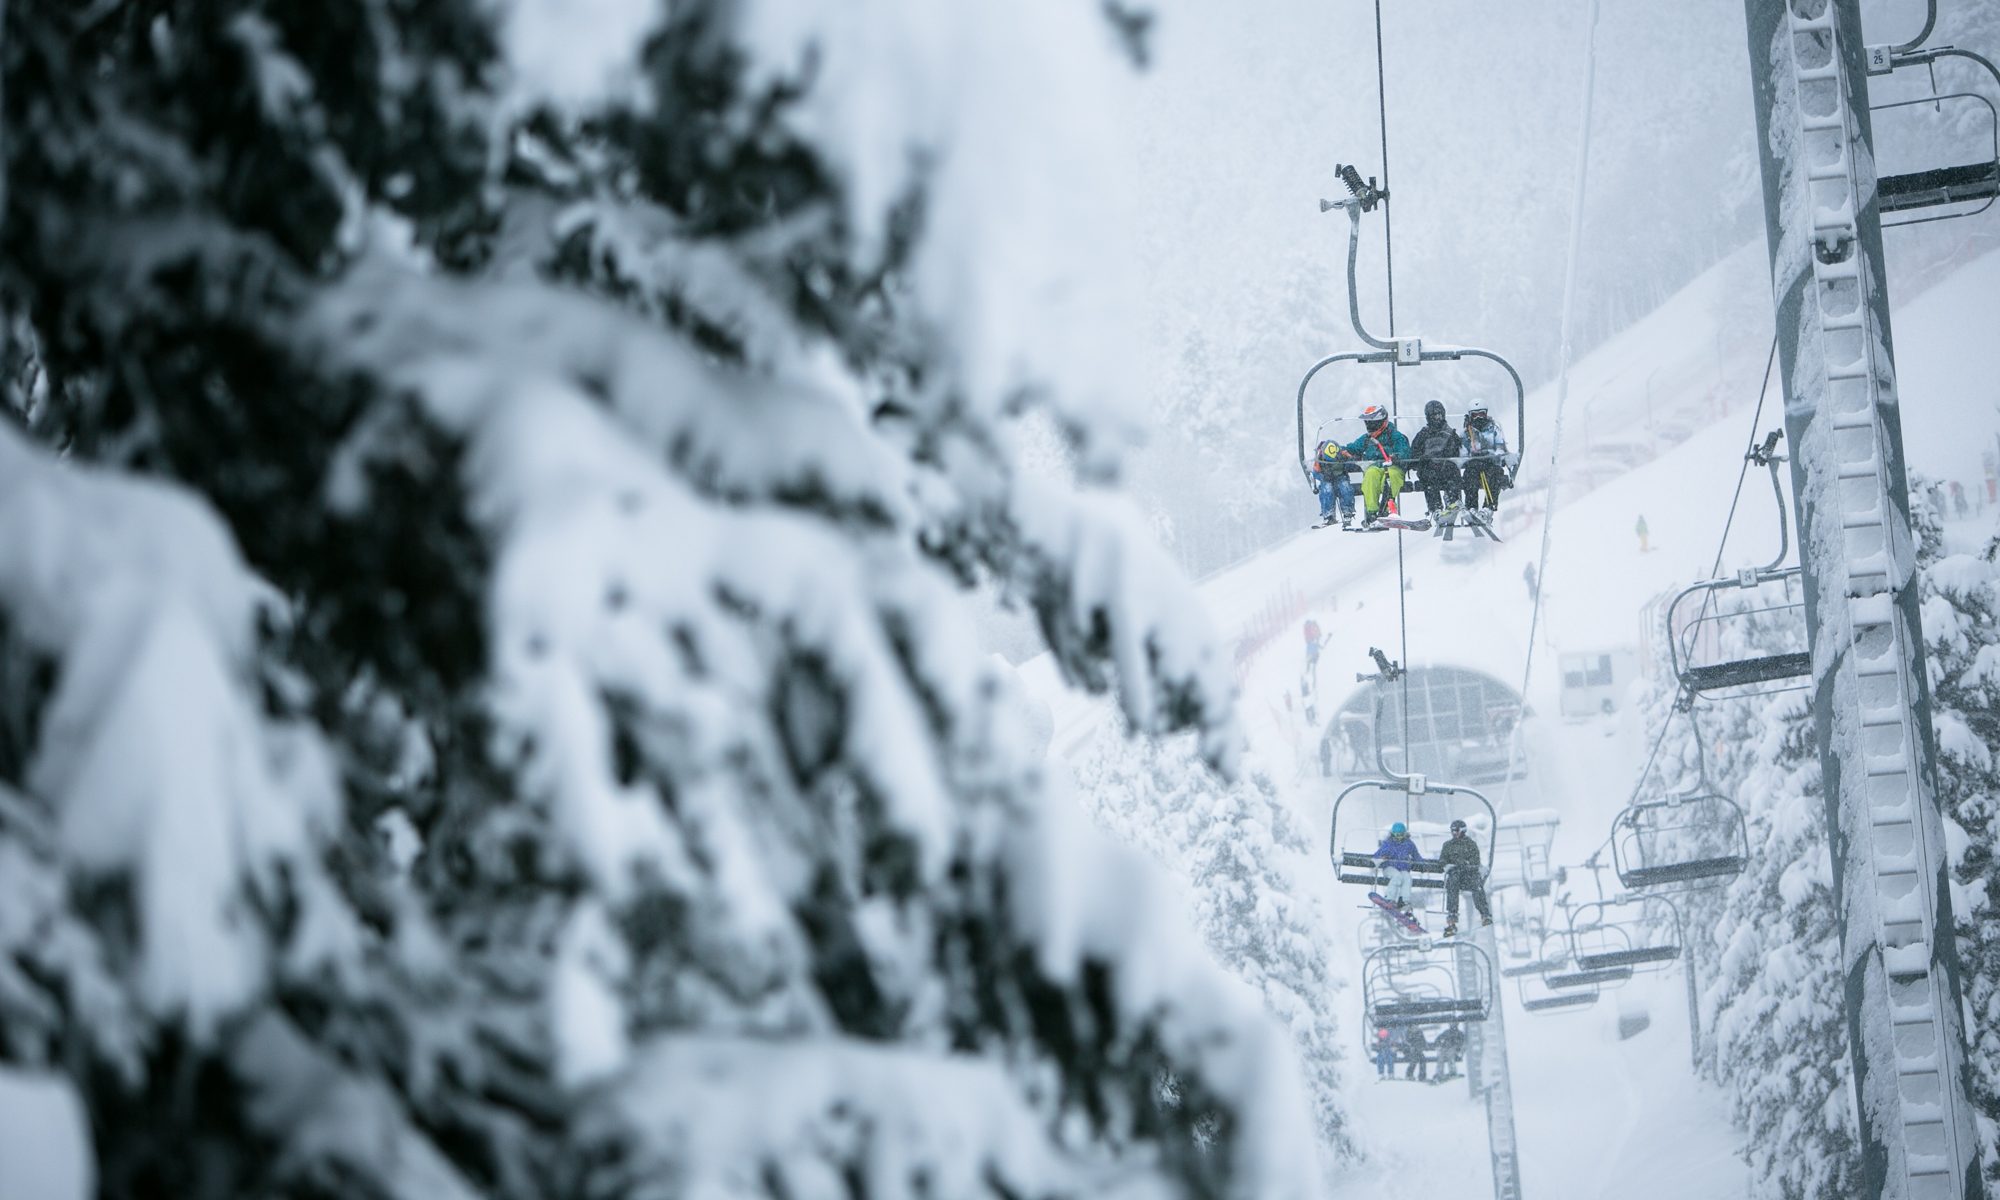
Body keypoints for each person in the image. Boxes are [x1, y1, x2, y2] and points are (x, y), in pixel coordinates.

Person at [1328, 404, 1413, 528]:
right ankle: (1372, 513)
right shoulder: (1367, 439)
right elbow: (1352, 448)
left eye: (1372, 423)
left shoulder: (1395, 436)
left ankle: (1388, 508)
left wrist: (1395, 457)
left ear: (1381, 422)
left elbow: (1405, 452)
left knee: (1389, 478)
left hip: (1392, 467)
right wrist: (1335, 452)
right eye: (1368, 423)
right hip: (1375, 467)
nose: (1370, 427)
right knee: (1370, 475)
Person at [1438, 818, 1493, 937]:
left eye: (1456, 831)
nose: (1454, 833)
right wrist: (1447, 865)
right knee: (1452, 884)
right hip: (1456, 875)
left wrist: (1463, 865)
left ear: (1462, 831)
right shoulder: (1448, 845)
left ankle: (1485, 914)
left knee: (1477, 886)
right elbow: (1442, 860)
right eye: (1452, 831)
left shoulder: (1470, 844)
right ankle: (1452, 917)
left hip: (1468, 875)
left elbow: (1475, 861)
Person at [1408, 399, 1462, 516]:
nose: (1437, 419)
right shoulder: (1423, 435)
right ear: (1428, 417)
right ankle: (1436, 509)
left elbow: (1458, 453)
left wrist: (1447, 456)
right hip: (1430, 469)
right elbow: (1413, 456)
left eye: (1439, 415)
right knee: (1429, 478)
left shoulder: (1450, 433)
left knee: (1452, 471)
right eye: (1434, 416)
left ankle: (1453, 501)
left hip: (1446, 468)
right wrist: (1423, 459)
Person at [1460, 403, 1509, 511]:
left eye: (1481, 414)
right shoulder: (1466, 432)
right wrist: (1470, 457)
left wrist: (1492, 455)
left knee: (1495, 474)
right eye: (1475, 415)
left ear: (1486, 414)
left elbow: (1500, 447)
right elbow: (1462, 452)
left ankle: (1489, 507)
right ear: (1470, 416)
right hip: (1474, 465)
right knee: (1469, 476)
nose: (1478, 418)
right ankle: (1471, 507)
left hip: (1490, 464)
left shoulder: (1494, 430)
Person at [1374, 821, 1426, 911]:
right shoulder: (1388, 844)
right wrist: (1381, 858)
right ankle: (1389, 898)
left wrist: (1421, 864)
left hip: (1402, 868)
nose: (1399, 838)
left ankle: (1404, 900)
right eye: (1397, 835)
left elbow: (1416, 855)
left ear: (1405, 834)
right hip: (1389, 868)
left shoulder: (1408, 844)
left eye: (1401, 835)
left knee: (1407, 877)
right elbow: (1377, 856)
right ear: (1393, 834)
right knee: (1397, 876)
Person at [1311, 439, 1359, 528]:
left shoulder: (1342, 454)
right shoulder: (1319, 459)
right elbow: (1315, 473)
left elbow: (1352, 465)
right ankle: (1329, 515)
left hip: (1340, 476)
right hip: (1327, 479)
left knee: (1345, 488)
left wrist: (1350, 458)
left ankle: (1348, 511)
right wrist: (1323, 477)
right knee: (1327, 490)